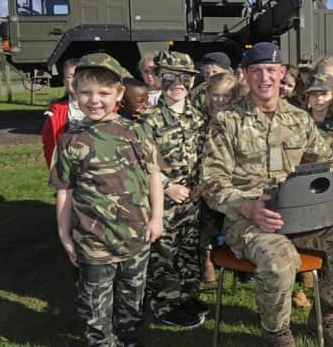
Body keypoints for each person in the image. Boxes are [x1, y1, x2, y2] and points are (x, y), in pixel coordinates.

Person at [200, 42, 333, 347]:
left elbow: (328, 166)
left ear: (282, 72)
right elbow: (211, 181)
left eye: (271, 70)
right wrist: (247, 208)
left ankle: (325, 313)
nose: (264, 78)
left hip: (304, 215)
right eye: (256, 71)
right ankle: (277, 332)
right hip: (251, 220)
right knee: (280, 261)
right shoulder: (227, 121)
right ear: (245, 75)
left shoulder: (298, 119)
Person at [49, 53, 164, 346]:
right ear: (74, 91)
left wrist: (156, 218)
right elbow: (65, 190)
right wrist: (64, 234)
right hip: (92, 240)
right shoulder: (70, 140)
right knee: (95, 305)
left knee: (132, 298)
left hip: (136, 235)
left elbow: (153, 177)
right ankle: (101, 341)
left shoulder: (137, 132)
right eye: (86, 92)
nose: (94, 100)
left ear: (119, 93)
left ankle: (128, 337)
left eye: (103, 93)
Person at [140, 51, 209, 329]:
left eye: (184, 78)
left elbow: (208, 155)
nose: (177, 84)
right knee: (163, 255)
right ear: (158, 79)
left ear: (192, 81)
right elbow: (142, 164)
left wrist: (201, 184)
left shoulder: (198, 117)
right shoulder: (149, 120)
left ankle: (187, 296)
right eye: (169, 77)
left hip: (192, 203)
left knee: (189, 252)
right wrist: (167, 188)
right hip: (164, 204)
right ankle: (165, 304)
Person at [199, 72, 238, 282]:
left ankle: (237, 257)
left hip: (233, 178)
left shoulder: (237, 119)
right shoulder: (200, 119)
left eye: (226, 96)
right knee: (207, 217)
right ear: (207, 94)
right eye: (216, 95)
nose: (220, 100)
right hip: (205, 177)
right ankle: (207, 257)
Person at [41, 58, 84, 168]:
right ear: (64, 81)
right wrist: (55, 171)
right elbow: (48, 144)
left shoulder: (104, 107)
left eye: (78, 75)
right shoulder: (55, 111)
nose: (74, 80)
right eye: (69, 77)